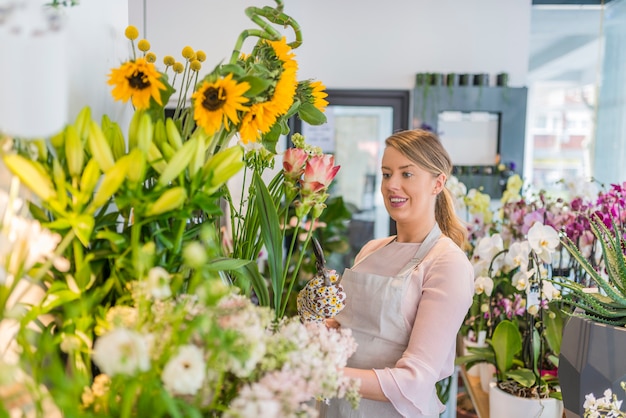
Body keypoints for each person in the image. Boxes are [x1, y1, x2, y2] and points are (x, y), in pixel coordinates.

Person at [317, 129, 474, 418]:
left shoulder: (447, 263)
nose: (392, 185)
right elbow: (354, 330)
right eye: (387, 174)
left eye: (407, 174)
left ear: (437, 183)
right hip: (338, 408)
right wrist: (319, 329)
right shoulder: (371, 250)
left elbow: (414, 381)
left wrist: (325, 374)